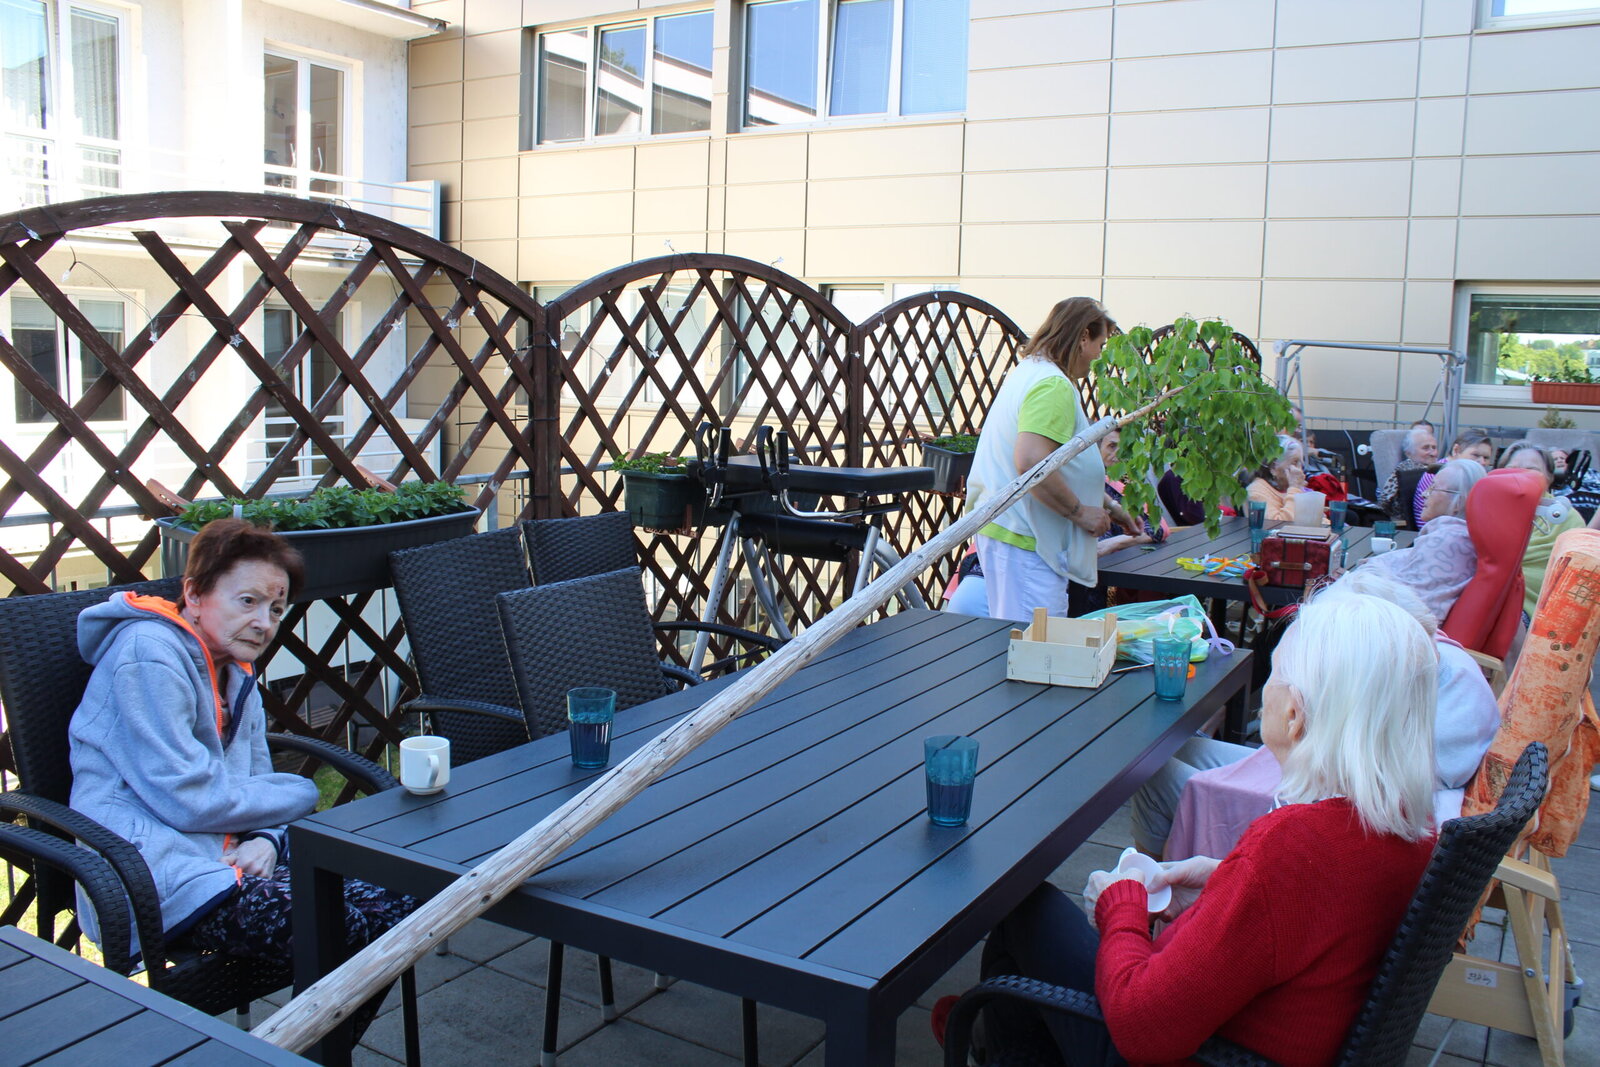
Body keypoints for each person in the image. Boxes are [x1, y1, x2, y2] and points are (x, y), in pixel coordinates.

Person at [949, 592, 1437, 1066]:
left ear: (1295, 714)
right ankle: (998, 1041)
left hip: (1186, 1049)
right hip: (1262, 1034)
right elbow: (1309, 915)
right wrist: (1223, 883)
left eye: (1275, 674)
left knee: (1024, 906)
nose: (1267, 688)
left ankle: (993, 1041)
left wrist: (1121, 907)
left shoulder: (1292, 846)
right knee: (1026, 958)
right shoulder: (1409, 830)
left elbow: (1141, 1029)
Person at [69, 519, 415, 974]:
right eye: (248, 601)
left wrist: (267, 839)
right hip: (157, 872)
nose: (263, 623)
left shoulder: (235, 670)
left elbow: (255, 781)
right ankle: (313, 1021)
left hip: (231, 852)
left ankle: (315, 1019)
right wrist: (300, 792)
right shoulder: (147, 656)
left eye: (276, 609)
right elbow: (189, 799)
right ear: (194, 594)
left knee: (405, 889)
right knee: (340, 929)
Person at [1130, 571, 1495, 858]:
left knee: (1149, 769)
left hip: (1333, 801)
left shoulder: (1296, 839)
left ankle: (1155, 890)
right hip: (1340, 792)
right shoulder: (1432, 667)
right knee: (1179, 749)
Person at [967, 297, 1131, 621]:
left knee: (1021, 639)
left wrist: (1111, 508)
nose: (1099, 355)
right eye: (1100, 344)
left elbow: (1057, 467)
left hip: (1011, 534)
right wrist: (1080, 513)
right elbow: (1031, 463)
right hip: (1027, 541)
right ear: (1083, 336)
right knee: (1036, 643)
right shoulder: (1053, 385)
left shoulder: (1030, 371)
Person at [1363, 457, 1486, 622]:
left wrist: (1367, 576)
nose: (1423, 493)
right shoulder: (1462, 535)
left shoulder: (1447, 542)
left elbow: (1416, 610)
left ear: (1459, 502)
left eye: (1433, 488)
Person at [1499, 442, 1585, 616]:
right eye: (1512, 469)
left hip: (1539, 617)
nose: (1521, 476)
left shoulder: (1567, 519)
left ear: (1550, 477)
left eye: (1532, 470)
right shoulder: (1485, 511)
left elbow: (1580, 582)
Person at [1412, 430, 1495, 528]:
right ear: (1456, 450)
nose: (1482, 462)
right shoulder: (1440, 474)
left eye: (1486, 458)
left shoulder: (1463, 474)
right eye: (1475, 455)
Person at [1380, 423, 1439, 521]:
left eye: (1434, 447)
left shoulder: (1436, 468)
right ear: (1409, 453)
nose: (1433, 453)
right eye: (1426, 448)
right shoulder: (1408, 473)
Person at [1242, 434, 1306, 522]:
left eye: (1300, 464)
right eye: (1294, 463)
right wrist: (1295, 488)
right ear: (1273, 468)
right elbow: (1278, 524)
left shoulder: (1289, 489)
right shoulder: (1256, 492)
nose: (1300, 470)